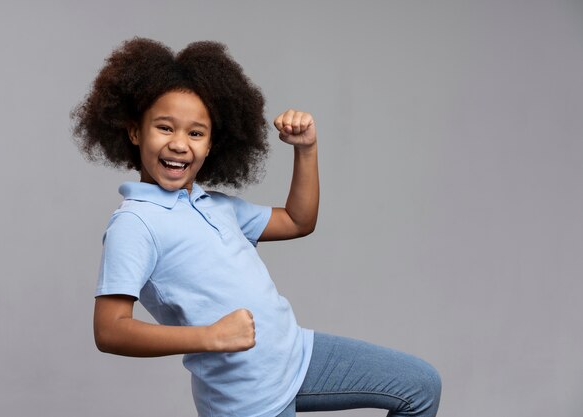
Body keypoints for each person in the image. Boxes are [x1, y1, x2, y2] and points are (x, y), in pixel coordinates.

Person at [72, 37, 441, 417]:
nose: (180, 144)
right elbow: (110, 329)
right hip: (248, 403)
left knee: (420, 386)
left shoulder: (214, 204)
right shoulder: (135, 223)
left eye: (196, 133)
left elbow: (299, 220)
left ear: (212, 145)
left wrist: (306, 149)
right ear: (135, 132)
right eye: (165, 128)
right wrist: (210, 337)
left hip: (298, 356)